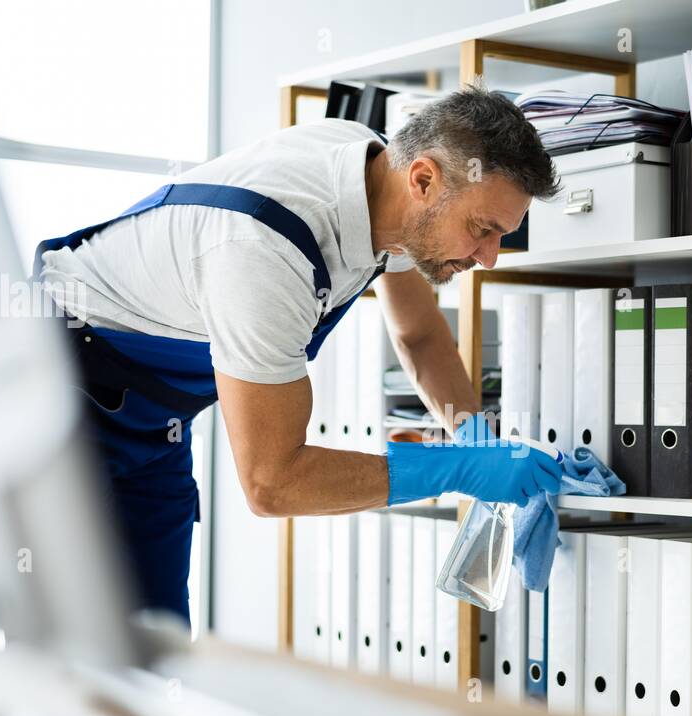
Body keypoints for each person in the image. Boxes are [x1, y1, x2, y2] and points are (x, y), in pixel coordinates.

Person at [36, 84, 564, 622]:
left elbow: (419, 336)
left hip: (153, 418)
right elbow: (271, 482)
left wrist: (473, 433)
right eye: (483, 230)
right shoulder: (265, 252)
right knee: (61, 646)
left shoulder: (384, 183)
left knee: (156, 638)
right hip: (52, 399)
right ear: (423, 180)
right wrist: (458, 470)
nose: (491, 258)